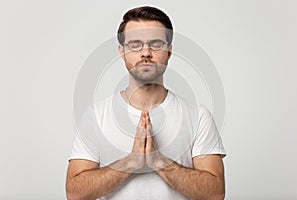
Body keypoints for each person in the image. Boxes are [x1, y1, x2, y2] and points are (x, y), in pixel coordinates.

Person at [66, 6, 226, 200]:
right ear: (122, 52)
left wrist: (159, 162)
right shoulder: (96, 115)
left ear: (169, 51)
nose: (146, 53)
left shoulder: (198, 117)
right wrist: (131, 163)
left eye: (156, 44)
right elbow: (74, 193)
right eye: (135, 44)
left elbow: (215, 193)